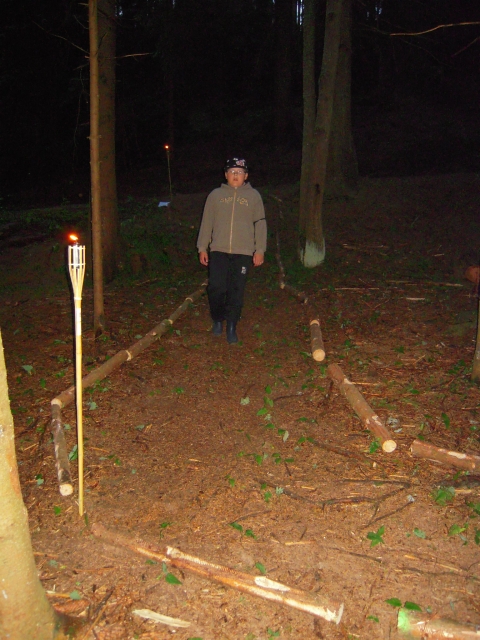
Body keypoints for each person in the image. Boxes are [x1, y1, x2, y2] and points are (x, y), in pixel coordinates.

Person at [197, 157, 267, 344]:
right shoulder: (215, 195)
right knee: (216, 287)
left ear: (246, 175)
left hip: (243, 252)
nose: (236, 175)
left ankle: (231, 325)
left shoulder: (253, 197)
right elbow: (207, 223)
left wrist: (259, 249)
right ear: (226, 174)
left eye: (240, 172)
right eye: (232, 172)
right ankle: (217, 319)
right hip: (218, 250)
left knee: (236, 289)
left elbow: (260, 224)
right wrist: (202, 247)